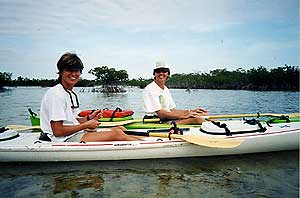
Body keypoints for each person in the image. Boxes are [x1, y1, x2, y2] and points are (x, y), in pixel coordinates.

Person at [40, 52, 141, 142]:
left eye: (77, 70)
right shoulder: (56, 94)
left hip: (71, 134)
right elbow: (58, 131)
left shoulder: (70, 93)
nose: (74, 74)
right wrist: (86, 125)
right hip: (60, 139)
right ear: (61, 71)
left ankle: (146, 142)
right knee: (116, 134)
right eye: (69, 70)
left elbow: (72, 121)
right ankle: (147, 147)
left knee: (119, 128)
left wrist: (89, 118)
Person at [143, 61, 208, 125]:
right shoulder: (150, 89)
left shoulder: (166, 89)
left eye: (164, 71)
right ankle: (213, 128)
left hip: (166, 118)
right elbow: (161, 114)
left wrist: (191, 111)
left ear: (168, 74)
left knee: (203, 115)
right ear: (154, 74)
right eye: (158, 71)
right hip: (155, 121)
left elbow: (172, 110)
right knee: (196, 119)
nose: (161, 73)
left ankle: (214, 126)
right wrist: (183, 116)